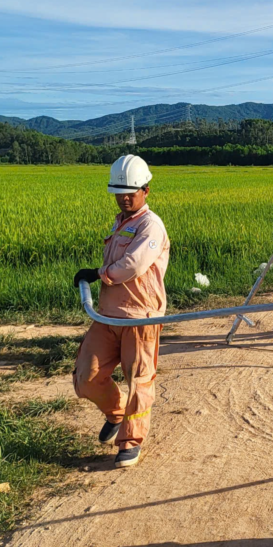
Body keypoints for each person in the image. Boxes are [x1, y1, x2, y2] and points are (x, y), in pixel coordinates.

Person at [72, 154, 170, 469]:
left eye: (131, 191)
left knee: (139, 381)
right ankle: (116, 414)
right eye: (119, 191)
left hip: (141, 318)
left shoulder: (150, 226)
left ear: (146, 190)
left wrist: (98, 273)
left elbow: (134, 265)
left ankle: (131, 441)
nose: (125, 198)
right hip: (108, 316)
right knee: (86, 378)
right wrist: (96, 276)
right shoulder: (121, 224)